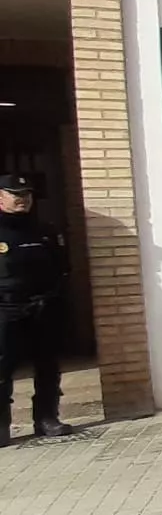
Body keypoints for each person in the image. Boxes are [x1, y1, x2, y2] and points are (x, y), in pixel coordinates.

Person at [0, 174, 74, 446]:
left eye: (27, 194)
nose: (22, 199)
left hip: (42, 308)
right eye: (15, 194)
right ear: (0, 197)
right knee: (2, 369)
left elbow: (63, 267)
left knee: (47, 366)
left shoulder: (44, 229)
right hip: (5, 309)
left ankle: (47, 419)